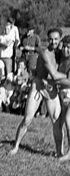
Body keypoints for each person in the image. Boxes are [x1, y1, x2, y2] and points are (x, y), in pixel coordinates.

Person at [10, 28, 64, 156]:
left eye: (56, 39)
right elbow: (54, 73)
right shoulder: (45, 53)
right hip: (39, 84)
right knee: (28, 118)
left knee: (56, 120)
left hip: (51, 86)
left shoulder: (62, 54)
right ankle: (16, 145)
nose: (53, 41)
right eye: (51, 39)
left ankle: (59, 152)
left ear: (60, 39)